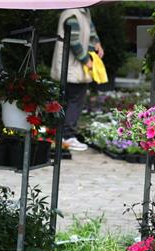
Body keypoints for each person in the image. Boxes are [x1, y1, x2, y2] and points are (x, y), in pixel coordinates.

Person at [51, 8, 103, 152]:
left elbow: (90, 29)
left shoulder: (83, 11)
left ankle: (62, 135)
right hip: (71, 67)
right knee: (74, 100)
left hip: (73, 67)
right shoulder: (72, 14)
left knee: (69, 100)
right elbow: (74, 41)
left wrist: (97, 43)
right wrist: (86, 60)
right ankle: (67, 136)